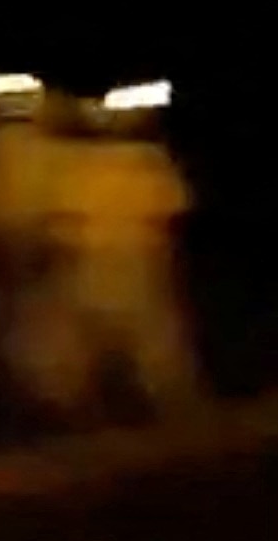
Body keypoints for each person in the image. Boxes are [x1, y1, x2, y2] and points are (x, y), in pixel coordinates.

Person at [50, 89, 204, 420]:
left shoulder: (80, 164)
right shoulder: (143, 160)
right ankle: (162, 407)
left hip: (111, 262)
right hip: (127, 261)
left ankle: (156, 409)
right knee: (148, 343)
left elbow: (64, 224)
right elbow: (173, 210)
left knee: (139, 342)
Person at [0, 81, 86, 424]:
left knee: (45, 332)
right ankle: (45, 402)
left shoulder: (26, 150)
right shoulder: (3, 149)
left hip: (38, 251)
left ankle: (58, 401)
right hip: (18, 251)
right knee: (27, 333)